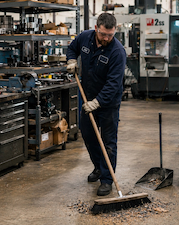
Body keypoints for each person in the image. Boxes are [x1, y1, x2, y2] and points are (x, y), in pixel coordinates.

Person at [66, 13, 126, 196]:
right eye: (103, 34)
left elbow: (113, 84)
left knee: (108, 142)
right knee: (89, 136)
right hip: (87, 98)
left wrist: (98, 102)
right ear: (96, 28)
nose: (107, 38)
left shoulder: (117, 51)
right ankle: (99, 167)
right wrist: (71, 60)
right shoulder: (85, 38)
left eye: (110, 35)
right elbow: (72, 48)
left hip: (108, 104)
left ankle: (107, 179)